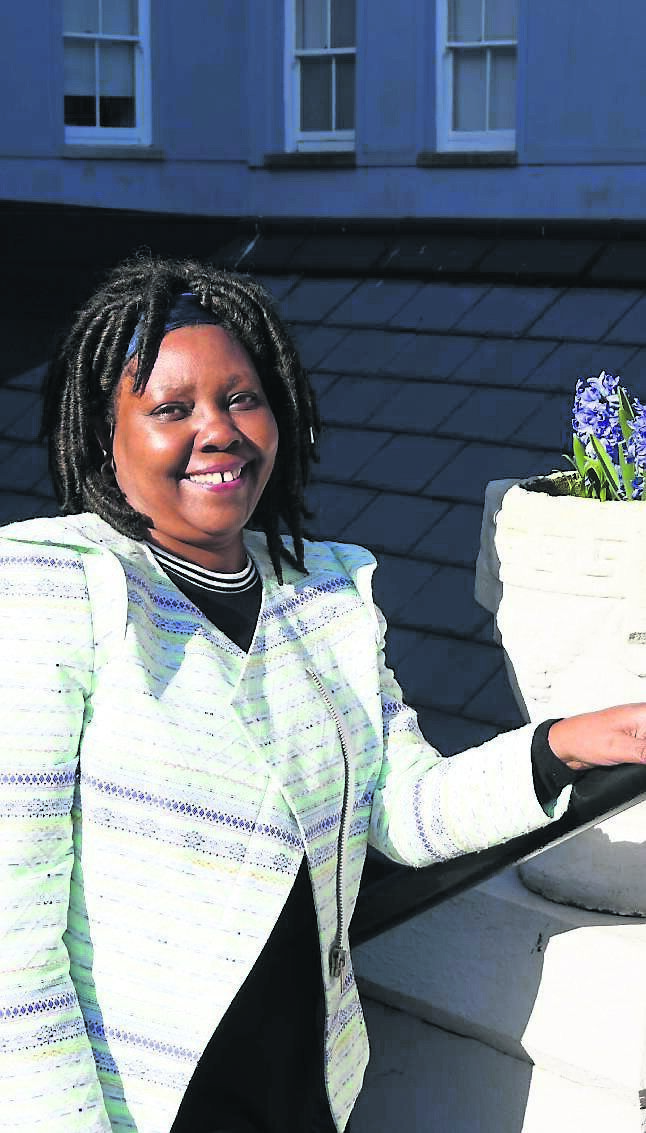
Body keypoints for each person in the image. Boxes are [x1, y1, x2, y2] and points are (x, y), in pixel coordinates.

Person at [1, 255, 645, 1133]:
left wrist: (567, 742)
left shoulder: (328, 593)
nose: (218, 429)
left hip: (309, 1082)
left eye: (240, 397)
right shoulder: (60, 586)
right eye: (170, 408)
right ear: (105, 440)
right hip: (146, 1104)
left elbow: (406, 809)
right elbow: (14, 945)